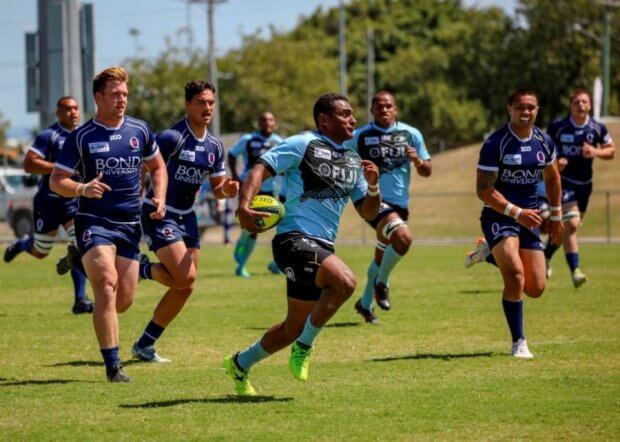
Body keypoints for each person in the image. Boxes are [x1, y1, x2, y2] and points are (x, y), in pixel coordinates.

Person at [223, 93, 380, 396]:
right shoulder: (303, 143)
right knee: (345, 282)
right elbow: (260, 168)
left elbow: (368, 212)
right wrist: (244, 205)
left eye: (352, 114)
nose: (353, 119)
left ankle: (239, 364)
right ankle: (305, 347)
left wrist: (373, 185)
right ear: (324, 120)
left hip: (321, 247)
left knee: (291, 327)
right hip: (292, 240)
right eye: (345, 114)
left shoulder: (351, 160)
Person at [50, 67, 168, 382]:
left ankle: (81, 258)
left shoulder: (140, 130)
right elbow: (57, 180)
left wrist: (160, 196)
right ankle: (113, 366)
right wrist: (81, 188)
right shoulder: (82, 136)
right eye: (115, 94)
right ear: (98, 97)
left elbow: (157, 166)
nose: (121, 100)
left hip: (130, 225)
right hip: (94, 221)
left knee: (124, 300)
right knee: (105, 284)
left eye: (125, 94)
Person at [133, 80, 239, 363]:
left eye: (211, 103)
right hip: (159, 212)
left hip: (187, 216)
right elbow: (140, 168)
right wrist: (143, 199)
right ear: (187, 105)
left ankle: (145, 344)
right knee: (186, 276)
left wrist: (225, 190)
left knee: (185, 286)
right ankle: (142, 268)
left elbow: (217, 188)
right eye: (201, 102)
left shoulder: (215, 146)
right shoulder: (171, 137)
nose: (207, 108)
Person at [476, 87, 563, 359]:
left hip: (530, 219)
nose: (526, 112)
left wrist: (557, 215)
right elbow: (483, 190)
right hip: (500, 215)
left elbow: (552, 178)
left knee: (535, 287)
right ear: (509, 109)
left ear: (537, 110)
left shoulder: (544, 142)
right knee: (514, 274)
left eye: (531, 108)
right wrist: (516, 212)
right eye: (520, 107)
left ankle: (489, 252)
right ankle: (519, 342)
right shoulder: (495, 143)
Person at [346, 91, 431, 324]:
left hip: (399, 204)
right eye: (379, 106)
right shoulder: (360, 136)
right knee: (403, 238)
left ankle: (364, 304)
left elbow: (427, 170)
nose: (384, 110)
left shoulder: (410, 134)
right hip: (371, 199)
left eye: (388, 106)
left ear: (396, 109)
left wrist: (417, 161)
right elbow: (341, 158)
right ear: (372, 110)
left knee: (381, 256)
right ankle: (382, 284)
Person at [3, 97, 93, 314]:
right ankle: (23, 244)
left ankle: (80, 300)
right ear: (58, 112)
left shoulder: (85, 134)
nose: (73, 112)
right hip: (49, 201)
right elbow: (29, 164)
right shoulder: (48, 135)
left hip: (73, 199)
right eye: (67, 109)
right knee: (41, 251)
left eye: (75, 108)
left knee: (77, 246)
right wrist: (60, 167)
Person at [544, 89, 615, 287]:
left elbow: (612, 151)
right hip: (563, 183)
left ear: (590, 105)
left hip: (585, 186)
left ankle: (545, 254)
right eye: (577, 102)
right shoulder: (559, 126)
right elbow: (545, 149)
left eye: (584, 102)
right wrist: (556, 161)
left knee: (567, 228)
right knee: (572, 224)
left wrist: (594, 151)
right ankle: (576, 271)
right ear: (571, 106)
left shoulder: (597, 128)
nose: (581, 105)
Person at [228, 111, 283, 277]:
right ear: (258, 123)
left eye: (271, 119)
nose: (267, 123)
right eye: (264, 120)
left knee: (282, 227)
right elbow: (231, 155)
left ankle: (276, 264)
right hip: (250, 190)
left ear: (275, 123)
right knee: (254, 228)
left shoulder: (279, 142)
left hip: (271, 191)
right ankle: (241, 266)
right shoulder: (248, 140)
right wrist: (236, 176)